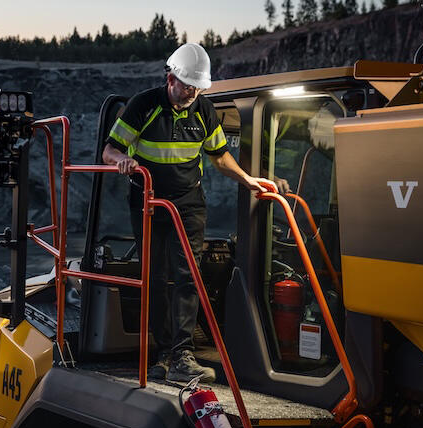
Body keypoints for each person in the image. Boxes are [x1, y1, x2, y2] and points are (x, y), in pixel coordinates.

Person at [102, 43, 290, 383]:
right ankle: (162, 354)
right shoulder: (143, 105)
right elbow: (110, 150)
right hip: (148, 202)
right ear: (170, 77)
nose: (193, 92)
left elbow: (219, 156)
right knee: (156, 278)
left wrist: (248, 180)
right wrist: (122, 161)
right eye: (187, 85)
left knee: (190, 275)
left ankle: (182, 355)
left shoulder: (204, 110)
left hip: (188, 202)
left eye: (198, 86)